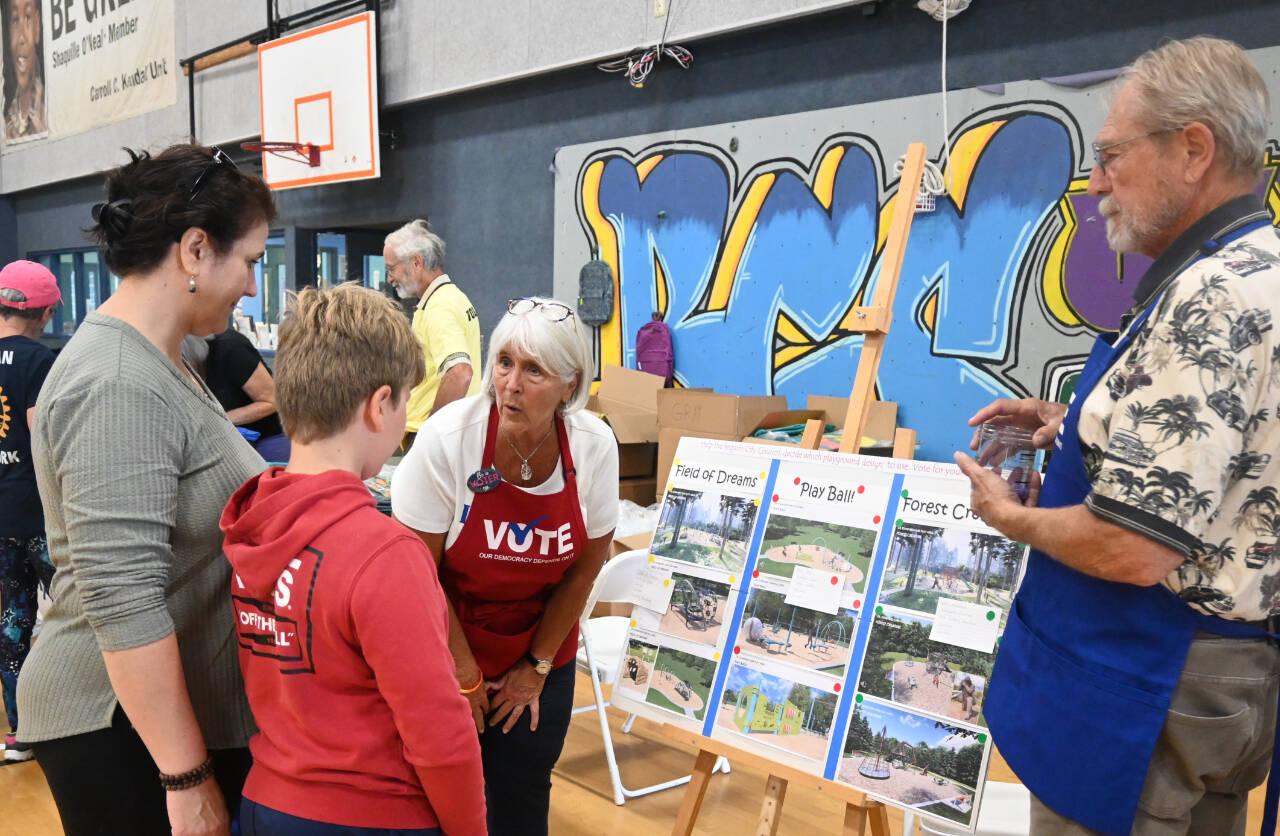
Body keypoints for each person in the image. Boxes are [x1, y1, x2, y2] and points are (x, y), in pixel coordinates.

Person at [954, 38, 1280, 836]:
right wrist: (1076, 426)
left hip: (1147, 685)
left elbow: (1135, 548)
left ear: (1193, 149)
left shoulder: (1215, 296)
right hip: (1217, 676)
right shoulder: (1258, 266)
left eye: (1110, 156)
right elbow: (1229, 458)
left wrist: (1008, 516)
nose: (1096, 182)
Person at [17, 145, 274, 836]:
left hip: (157, 721)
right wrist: (187, 780)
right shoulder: (117, 382)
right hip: (115, 725)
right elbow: (122, 597)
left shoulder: (171, 358)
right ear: (195, 249)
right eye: (249, 259)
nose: (252, 284)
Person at [221, 284, 485, 836]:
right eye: (405, 401)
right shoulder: (384, 553)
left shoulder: (252, 523)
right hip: (373, 812)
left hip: (268, 801)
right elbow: (439, 733)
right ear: (377, 405)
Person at [392, 296, 618, 836]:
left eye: (533, 370)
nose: (510, 384)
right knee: (439, 796)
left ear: (571, 383)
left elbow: (582, 572)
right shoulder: (449, 439)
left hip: (541, 642)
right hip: (448, 638)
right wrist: (465, 677)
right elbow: (418, 574)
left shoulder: (593, 448)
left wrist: (537, 667)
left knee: (520, 787)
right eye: (504, 362)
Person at [0, 260, 58, 763]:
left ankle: (21, 732)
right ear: (42, 313)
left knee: (12, 620)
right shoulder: (40, 361)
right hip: (39, 516)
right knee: (74, 613)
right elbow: (43, 440)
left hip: (0, 520)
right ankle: (77, 724)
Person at [383, 220, 482, 447]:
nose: (389, 278)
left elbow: (460, 373)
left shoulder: (439, 307)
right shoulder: (453, 297)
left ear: (416, 262)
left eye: (391, 269)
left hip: (436, 438)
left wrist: (430, 435)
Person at [205, 325, 292, 462]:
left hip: (268, 439)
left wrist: (221, 419)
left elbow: (272, 401)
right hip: (230, 439)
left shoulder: (231, 348)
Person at [3, 0, 46, 140]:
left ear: (37, 26)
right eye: (15, 20)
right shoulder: (6, 125)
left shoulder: (48, 114)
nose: (21, 38)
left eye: (27, 18)